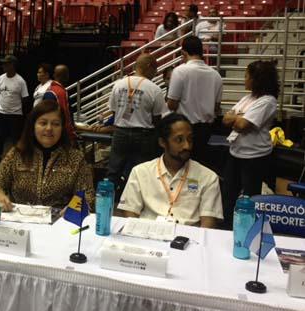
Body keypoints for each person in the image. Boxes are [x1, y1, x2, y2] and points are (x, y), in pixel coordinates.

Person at [118, 113, 223, 228]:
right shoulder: (140, 172)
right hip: (148, 236)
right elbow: (130, 212)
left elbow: (208, 224)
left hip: (188, 239)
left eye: (190, 139)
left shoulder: (208, 177)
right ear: (162, 142)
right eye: (179, 140)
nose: (187, 146)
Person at [0, 99, 95, 210]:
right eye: (43, 123)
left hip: (59, 222)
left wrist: (74, 208)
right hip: (21, 220)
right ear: (33, 126)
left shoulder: (75, 158)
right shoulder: (17, 154)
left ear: (62, 128)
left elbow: (88, 196)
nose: (49, 128)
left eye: (55, 124)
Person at [222, 61, 279, 228]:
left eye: (247, 76)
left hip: (254, 157)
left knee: (250, 198)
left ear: (257, 79)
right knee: (228, 195)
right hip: (235, 153)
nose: (244, 79)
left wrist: (238, 117)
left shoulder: (268, 101)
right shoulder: (248, 98)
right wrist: (238, 117)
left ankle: (246, 230)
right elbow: (226, 119)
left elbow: (242, 125)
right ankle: (227, 227)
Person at [107, 54, 165, 191]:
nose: (155, 73)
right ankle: (136, 202)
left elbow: (114, 112)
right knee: (141, 172)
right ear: (149, 67)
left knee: (113, 170)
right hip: (144, 135)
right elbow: (157, 118)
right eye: (155, 69)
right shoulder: (154, 89)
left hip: (120, 132)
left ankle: (107, 200)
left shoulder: (118, 84)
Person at [167, 36, 222, 164]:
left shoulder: (180, 71)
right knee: (200, 165)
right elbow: (216, 107)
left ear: (183, 53)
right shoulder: (216, 75)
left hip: (184, 127)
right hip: (206, 129)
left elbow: (172, 104)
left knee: (181, 165)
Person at [0, 55, 29, 165]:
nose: (4, 66)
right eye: (3, 63)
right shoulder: (0, 78)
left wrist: (17, 110)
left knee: (15, 138)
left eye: (6, 64)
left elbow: (25, 98)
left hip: (15, 114)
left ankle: (16, 160)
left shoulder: (20, 81)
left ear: (12, 65)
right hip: (1, 112)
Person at [43, 64, 77, 140]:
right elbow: (66, 115)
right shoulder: (61, 92)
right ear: (65, 76)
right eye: (67, 74)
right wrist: (71, 133)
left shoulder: (49, 90)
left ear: (54, 75)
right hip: (60, 135)